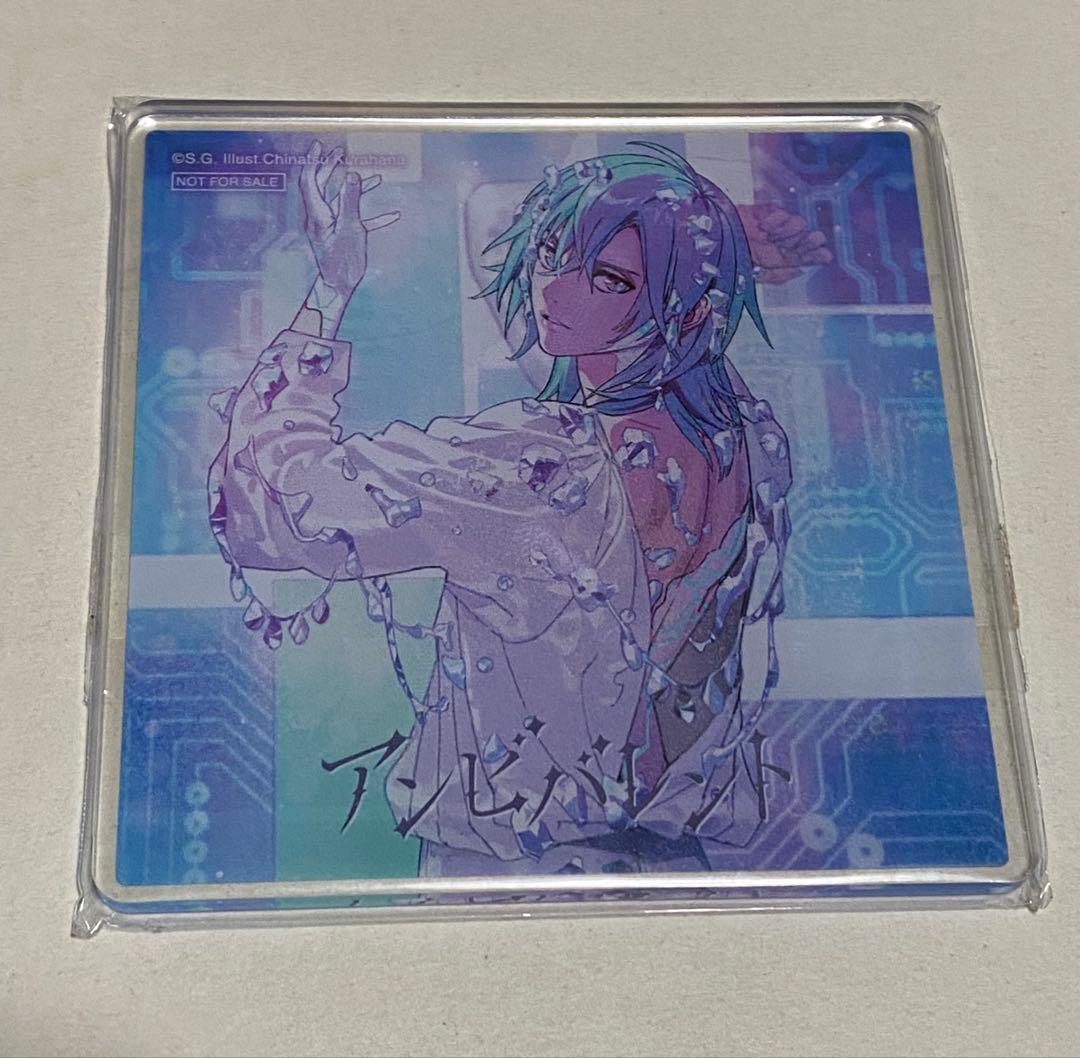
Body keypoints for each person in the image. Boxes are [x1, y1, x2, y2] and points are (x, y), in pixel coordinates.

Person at [207, 139, 828, 876]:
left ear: (683, 309)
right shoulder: (749, 440)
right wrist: (705, 235)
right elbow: (524, 241)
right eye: (552, 256)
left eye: (609, 280)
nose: (554, 291)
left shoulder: (530, 468)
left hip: (512, 877)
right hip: (677, 870)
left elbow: (274, 507)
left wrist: (330, 291)